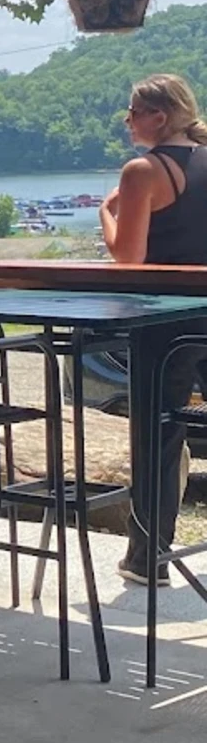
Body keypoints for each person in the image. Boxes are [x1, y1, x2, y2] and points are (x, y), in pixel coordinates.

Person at [99, 73, 207, 585]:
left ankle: (147, 560)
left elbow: (127, 259)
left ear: (159, 117)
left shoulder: (143, 171)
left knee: (158, 437)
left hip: (166, 321)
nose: (127, 121)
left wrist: (107, 212)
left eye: (133, 112)